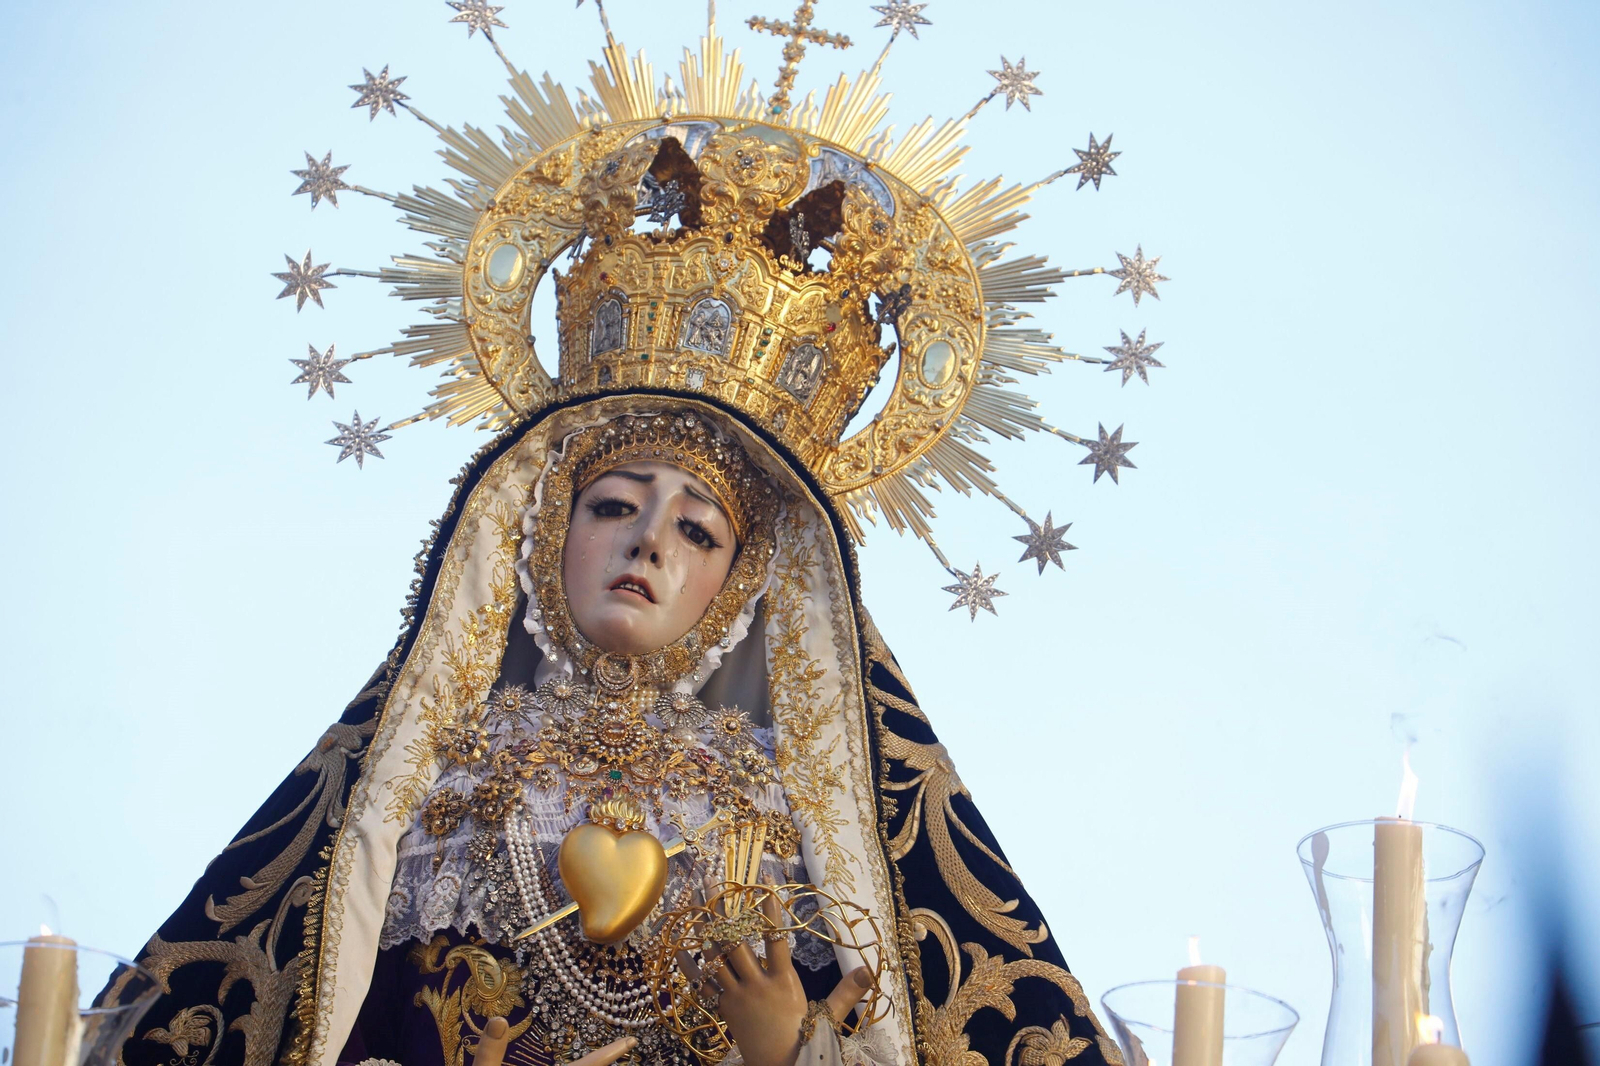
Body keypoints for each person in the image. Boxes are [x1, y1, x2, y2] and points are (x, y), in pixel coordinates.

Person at [118, 57, 1130, 1066]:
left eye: (697, 529)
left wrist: (790, 1050)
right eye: (612, 506)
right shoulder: (419, 779)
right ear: (543, 528)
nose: (648, 538)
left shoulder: (790, 821)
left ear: (743, 583)